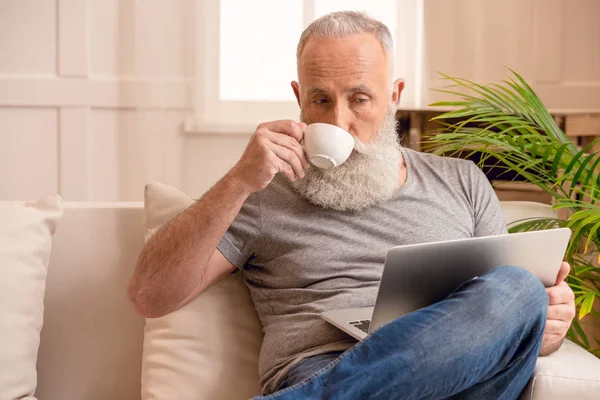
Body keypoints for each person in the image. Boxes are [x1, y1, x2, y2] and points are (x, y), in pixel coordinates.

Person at [128, 11, 576, 399]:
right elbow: (151, 295)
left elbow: (499, 319)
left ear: (394, 95)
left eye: (359, 99)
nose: (338, 120)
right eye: (320, 99)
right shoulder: (261, 190)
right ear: (298, 96)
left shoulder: (461, 181)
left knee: (517, 288)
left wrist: (546, 322)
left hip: (462, 383)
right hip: (322, 367)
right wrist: (238, 180)